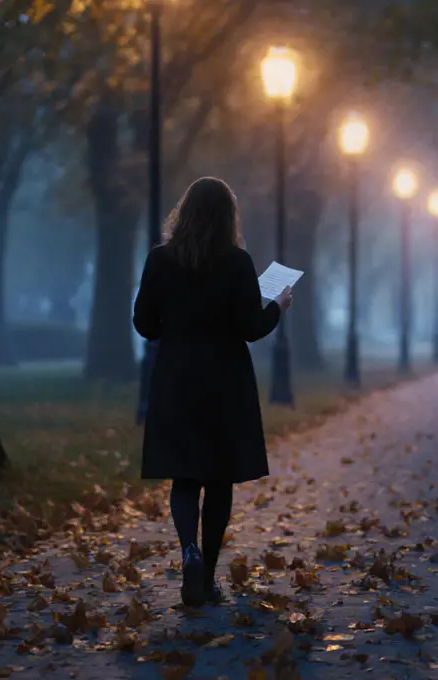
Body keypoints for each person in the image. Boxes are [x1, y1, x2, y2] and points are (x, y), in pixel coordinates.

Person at [132, 177, 293, 607]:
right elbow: (250, 329)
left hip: (176, 378)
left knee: (185, 475)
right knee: (219, 479)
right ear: (228, 218)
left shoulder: (160, 260)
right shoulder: (237, 263)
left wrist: (177, 324)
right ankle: (206, 582)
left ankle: (189, 552)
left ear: (183, 213)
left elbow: (144, 324)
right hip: (225, 380)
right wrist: (278, 306)